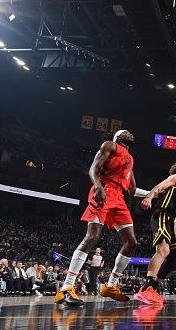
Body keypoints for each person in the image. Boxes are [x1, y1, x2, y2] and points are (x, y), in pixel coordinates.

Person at [54, 130, 138, 306]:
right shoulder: (110, 146)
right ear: (117, 137)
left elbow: (132, 190)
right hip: (103, 190)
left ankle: (111, 286)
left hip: (119, 198)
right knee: (92, 237)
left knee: (131, 243)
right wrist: (98, 186)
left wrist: (155, 192)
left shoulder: (130, 159)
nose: (129, 133)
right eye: (125, 131)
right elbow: (93, 169)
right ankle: (66, 288)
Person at [134, 162, 176, 305]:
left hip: (170, 221)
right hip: (161, 216)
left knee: (172, 262)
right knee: (163, 250)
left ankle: (153, 289)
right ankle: (146, 289)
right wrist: (149, 197)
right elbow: (159, 187)